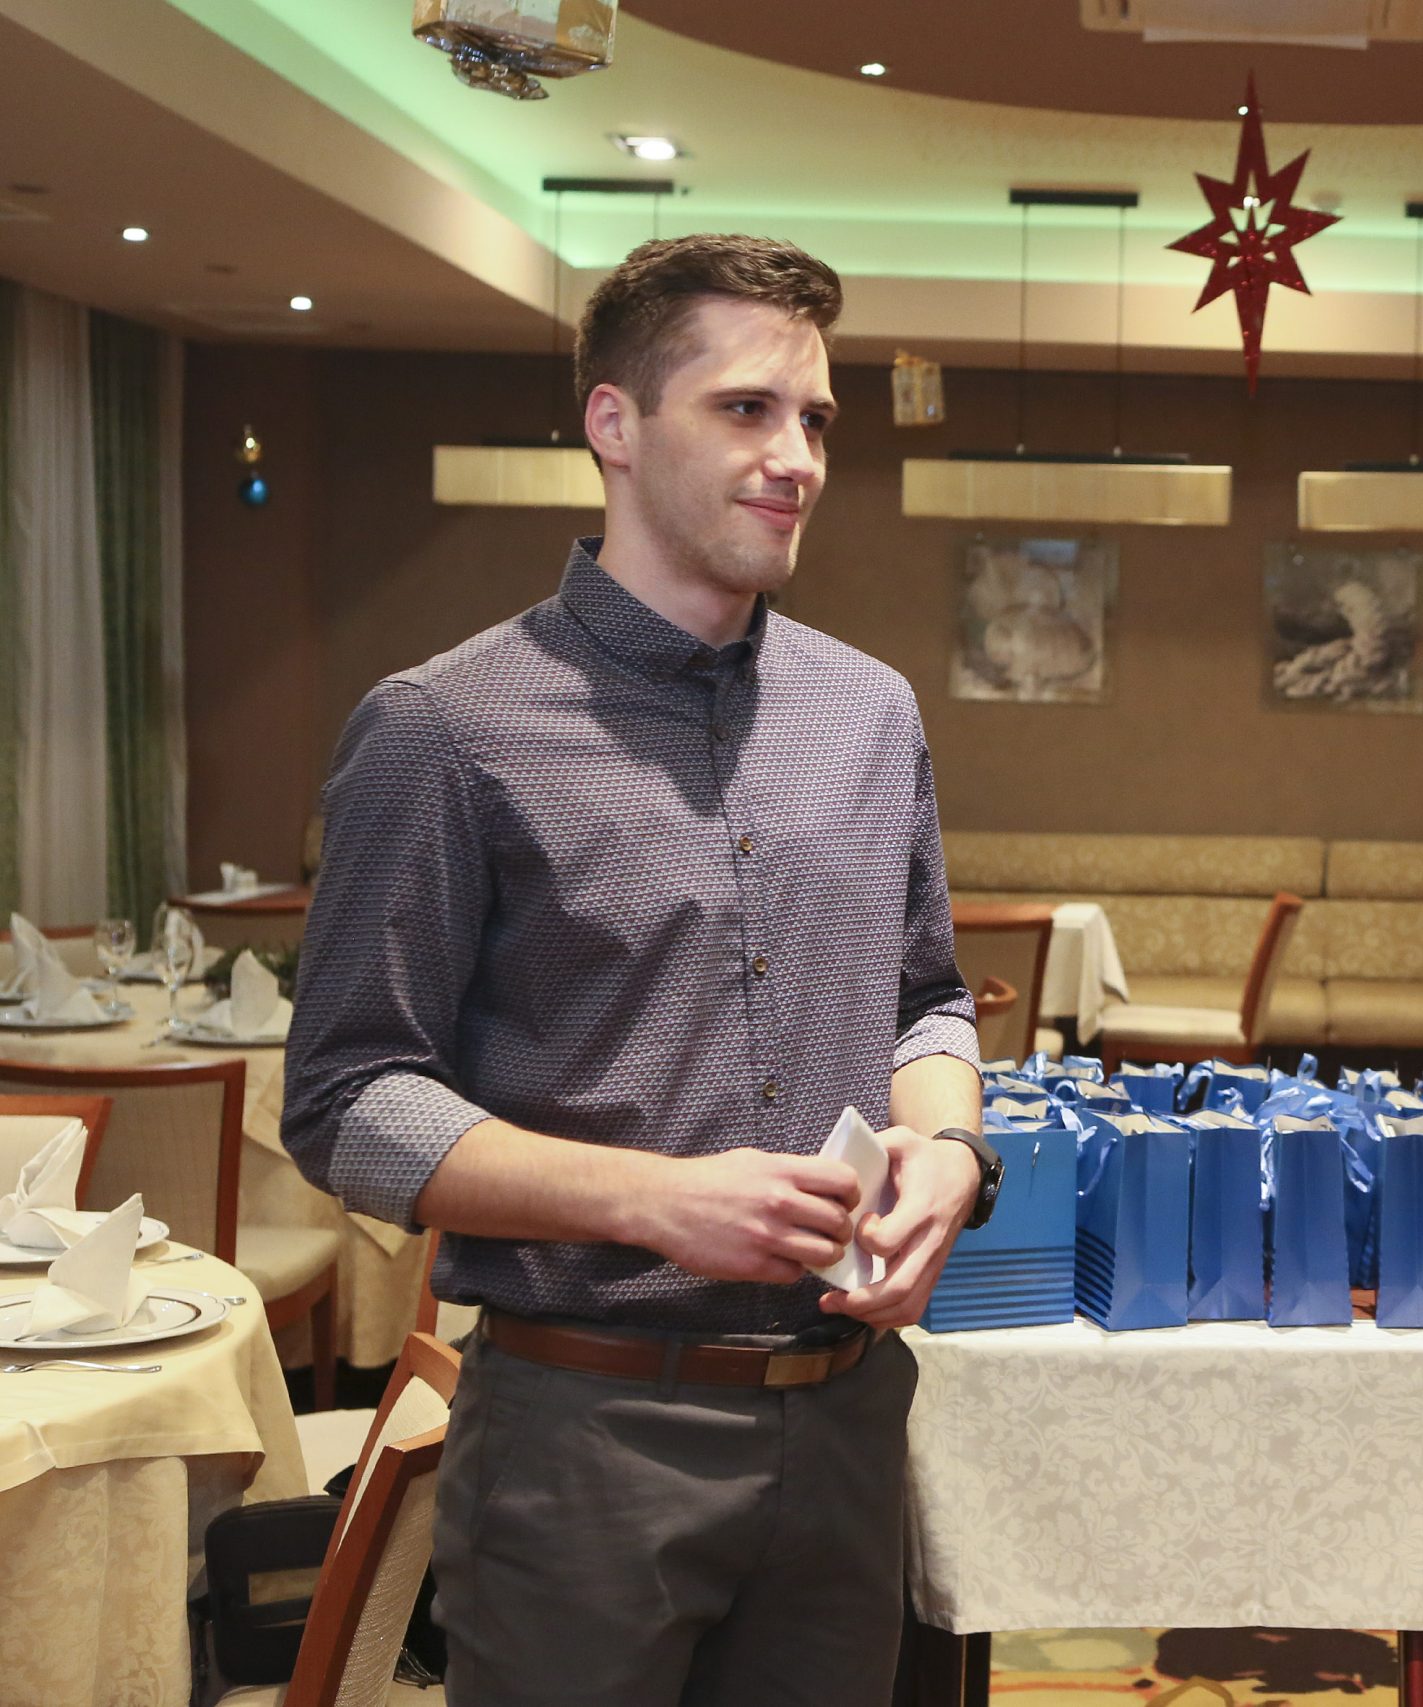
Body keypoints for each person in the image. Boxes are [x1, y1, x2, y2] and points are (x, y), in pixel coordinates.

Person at [282, 234, 1003, 1706]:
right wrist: (656, 1199)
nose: (796, 458)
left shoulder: (870, 713)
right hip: (583, 1438)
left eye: (815, 420)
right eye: (746, 410)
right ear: (613, 424)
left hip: (848, 1425)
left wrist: (949, 1151)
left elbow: (924, 998)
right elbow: (350, 1104)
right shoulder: (444, 728)